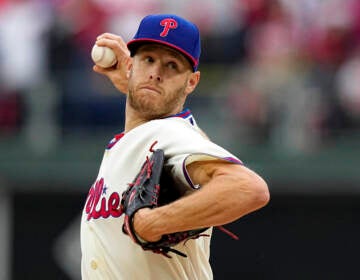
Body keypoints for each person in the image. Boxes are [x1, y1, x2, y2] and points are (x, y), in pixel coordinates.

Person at [81, 14, 270, 280]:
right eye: (148, 59)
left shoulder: (168, 134)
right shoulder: (145, 136)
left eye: (171, 66)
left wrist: (154, 222)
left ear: (191, 82)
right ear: (131, 66)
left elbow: (249, 188)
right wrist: (135, 87)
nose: (156, 73)